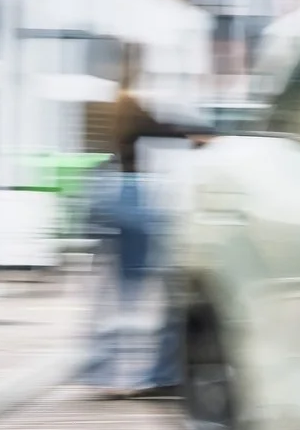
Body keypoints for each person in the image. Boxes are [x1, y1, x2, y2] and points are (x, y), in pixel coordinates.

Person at [78, 47, 205, 398]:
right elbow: (156, 127)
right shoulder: (124, 102)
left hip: (109, 190)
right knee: (140, 288)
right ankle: (142, 373)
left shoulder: (106, 103)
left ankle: (105, 370)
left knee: (116, 290)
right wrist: (198, 137)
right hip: (127, 193)